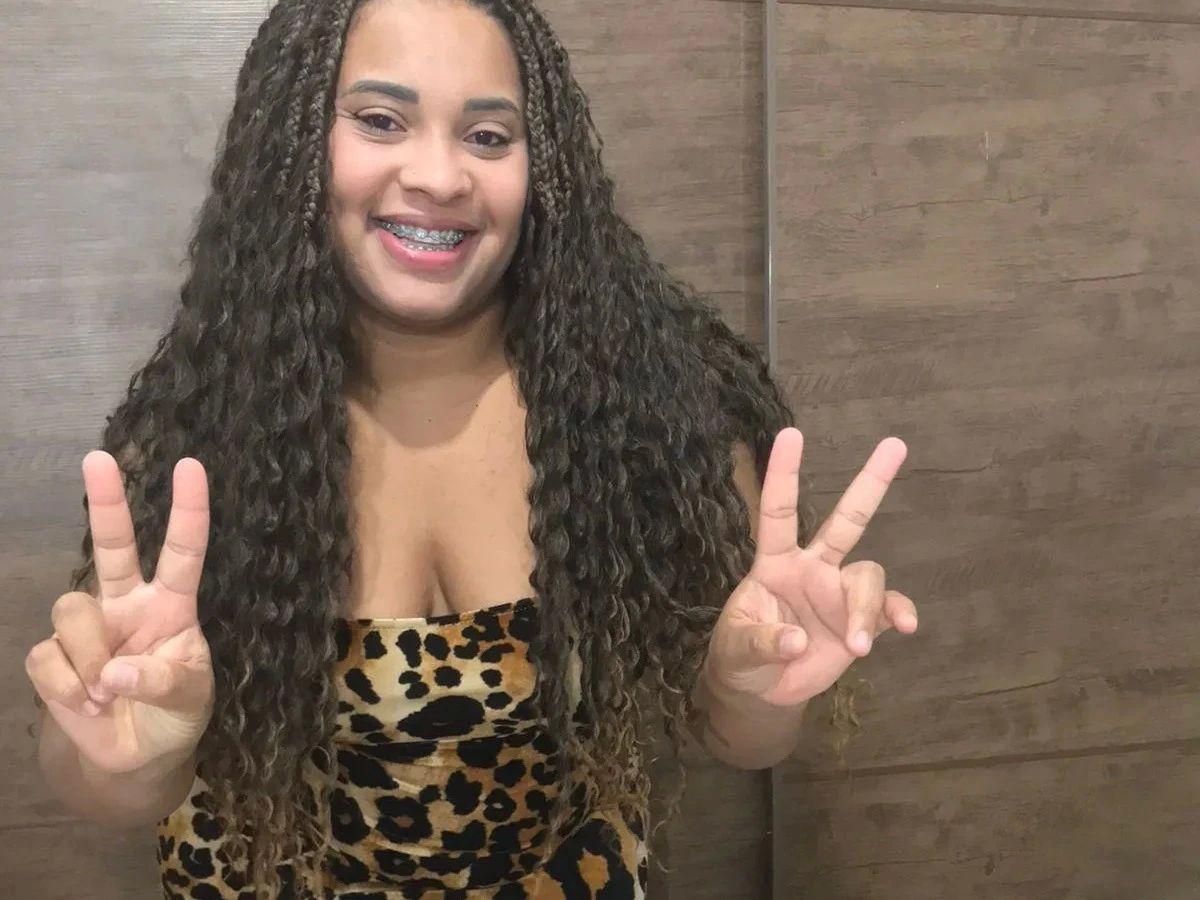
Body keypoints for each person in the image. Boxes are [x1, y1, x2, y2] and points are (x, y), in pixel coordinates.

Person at [24, 0, 920, 897]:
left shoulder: (652, 410)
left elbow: (735, 737)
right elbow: (104, 781)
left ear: (543, 165)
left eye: (489, 136)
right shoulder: (201, 432)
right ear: (293, 140)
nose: (440, 177)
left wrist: (753, 689)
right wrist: (130, 756)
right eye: (381, 120)